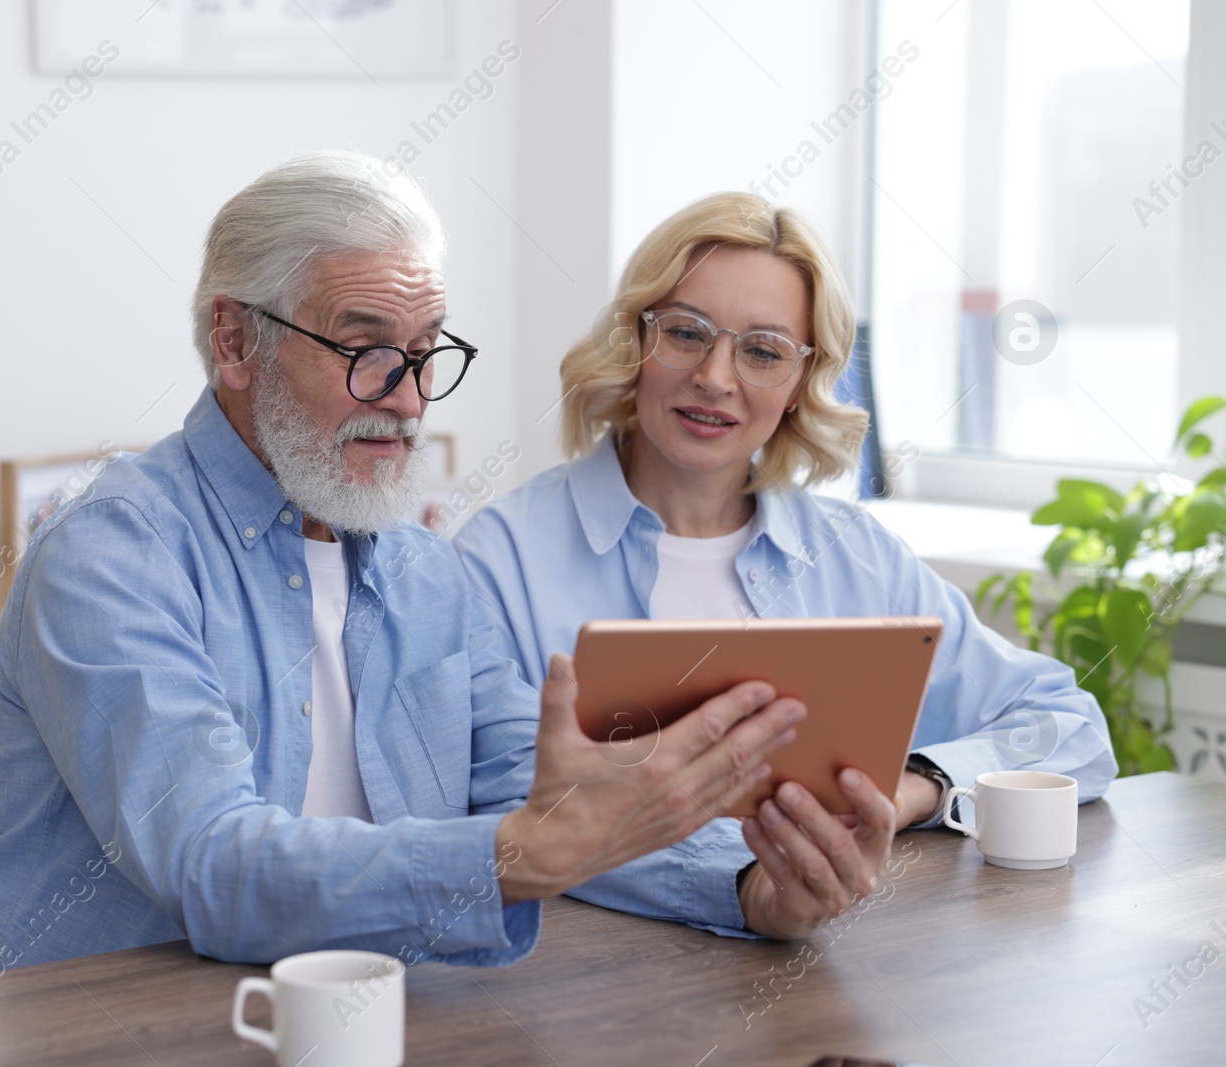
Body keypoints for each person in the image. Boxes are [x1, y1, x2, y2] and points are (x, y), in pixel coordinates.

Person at [0, 157, 805, 993]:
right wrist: (516, 853)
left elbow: (548, 805)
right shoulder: (112, 551)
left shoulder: (427, 573)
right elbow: (212, 862)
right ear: (234, 341)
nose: (411, 398)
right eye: (366, 350)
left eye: (424, 353)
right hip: (57, 1037)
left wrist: (750, 885)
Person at [454, 192, 1118, 940]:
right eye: (686, 333)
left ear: (804, 380)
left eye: (763, 350)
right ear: (635, 338)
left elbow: (1069, 727)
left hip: (832, 979)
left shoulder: (858, 556)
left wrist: (913, 790)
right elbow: (508, 808)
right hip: (587, 996)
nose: (715, 376)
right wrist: (744, 882)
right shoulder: (497, 556)